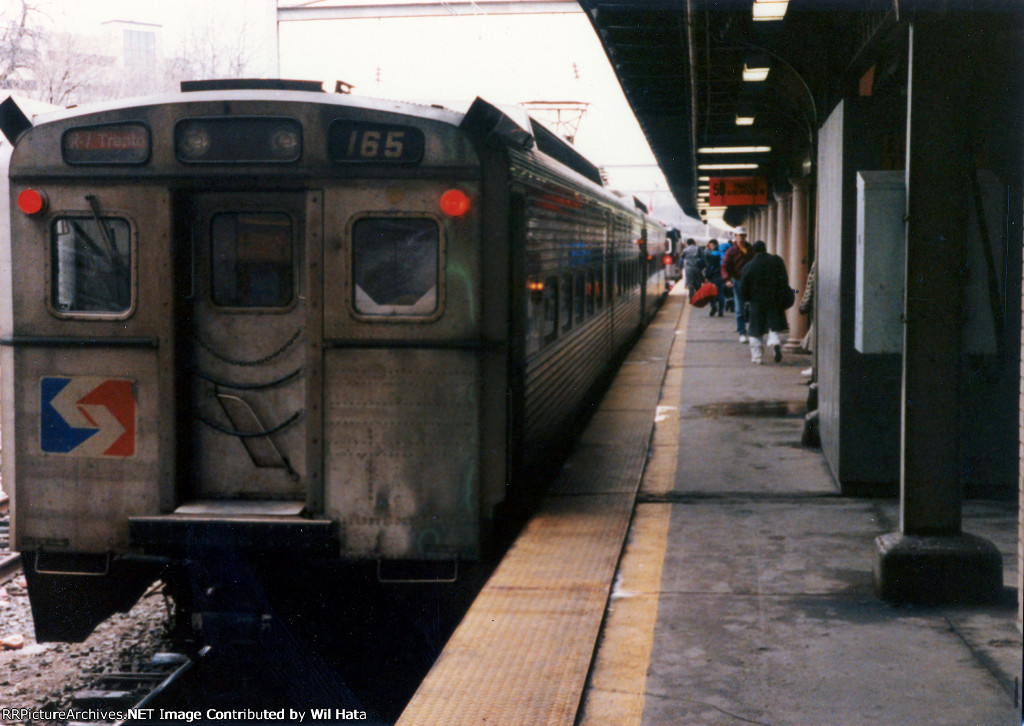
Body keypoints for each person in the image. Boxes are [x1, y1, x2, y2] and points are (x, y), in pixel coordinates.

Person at [739, 240, 794, 364]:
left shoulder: (749, 265)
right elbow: (784, 280)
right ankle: (774, 341)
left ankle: (757, 357)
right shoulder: (776, 261)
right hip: (773, 299)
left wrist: (747, 298)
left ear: (754, 251)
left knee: (755, 329)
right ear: (765, 248)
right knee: (774, 325)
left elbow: (743, 287)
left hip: (756, 301)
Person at [720, 227, 754, 342]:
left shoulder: (751, 249)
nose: (741, 237)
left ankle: (752, 330)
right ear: (735, 236)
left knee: (752, 306)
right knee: (739, 307)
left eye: (743, 235)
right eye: (739, 235)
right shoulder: (731, 252)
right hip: (738, 281)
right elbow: (724, 266)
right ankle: (742, 332)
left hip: (750, 282)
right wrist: (727, 279)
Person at [702, 238, 726, 316]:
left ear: (715, 245)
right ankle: (721, 310)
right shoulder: (723, 254)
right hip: (722, 276)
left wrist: (706, 276)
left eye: (712, 246)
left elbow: (711, 266)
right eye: (710, 246)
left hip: (714, 276)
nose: (711, 247)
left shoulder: (714, 254)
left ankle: (714, 307)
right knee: (721, 294)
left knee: (712, 293)